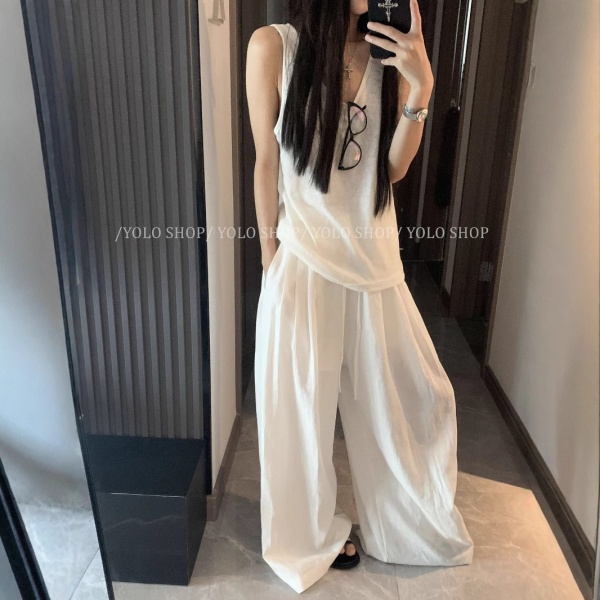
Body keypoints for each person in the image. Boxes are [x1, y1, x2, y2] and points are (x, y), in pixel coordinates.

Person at [245, 0, 474, 593]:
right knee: (299, 416)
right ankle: (305, 539)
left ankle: (404, 525)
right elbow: (266, 161)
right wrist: (270, 263)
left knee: (416, 399)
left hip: (375, 264)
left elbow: (390, 170)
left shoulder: (387, 55)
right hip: (304, 262)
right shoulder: (273, 47)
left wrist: (420, 87)